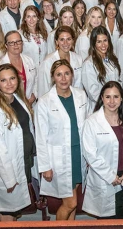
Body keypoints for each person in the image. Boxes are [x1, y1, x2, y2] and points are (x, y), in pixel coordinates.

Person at [81, 81, 123, 219]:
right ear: (102, 98)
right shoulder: (92, 122)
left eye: (116, 96)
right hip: (104, 177)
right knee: (105, 220)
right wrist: (110, 176)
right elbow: (90, 154)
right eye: (108, 97)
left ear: (121, 99)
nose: (112, 101)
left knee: (119, 217)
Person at [36, 60, 88, 220]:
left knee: (73, 201)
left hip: (78, 155)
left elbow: (87, 124)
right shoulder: (44, 101)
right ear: (53, 77)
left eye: (67, 73)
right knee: (70, 203)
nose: (63, 78)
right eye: (59, 74)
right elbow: (40, 136)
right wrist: (45, 166)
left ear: (72, 75)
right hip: (58, 159)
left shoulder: (80, 95)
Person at [0, 64, 36, 221]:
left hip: (22, 163)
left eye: (12, 78)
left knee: (15, 211)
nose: (9, 83)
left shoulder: (17, 99)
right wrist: (9, 179)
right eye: (3, 80)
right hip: (7, 170)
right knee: (7, 213)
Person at [82, 26, 121, 108]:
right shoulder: (89, 63)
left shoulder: (111, 58)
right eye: (99, 42)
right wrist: (109, 103)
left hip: (115, 105)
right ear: (93, 43)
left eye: (105, 41)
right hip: (100, 106)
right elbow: (93, 92)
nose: (103, 45)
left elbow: (118, 81)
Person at [0, 31, 39, 104]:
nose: (16, 45)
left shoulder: (29, 60)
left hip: (30, 103)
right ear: (6, 45)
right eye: (11, 43)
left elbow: (36, 80)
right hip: (9, 105)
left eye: (18, 41)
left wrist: (33, 96)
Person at [41, 26, 83, 95]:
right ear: (56, 41)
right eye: (62, 39)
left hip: (75, 99)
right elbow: (44, 89)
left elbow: (80, 85)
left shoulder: (78, 59)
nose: (65, 43)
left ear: (73, 40)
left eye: (68, 39)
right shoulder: (48, 61)